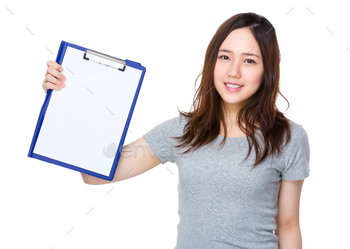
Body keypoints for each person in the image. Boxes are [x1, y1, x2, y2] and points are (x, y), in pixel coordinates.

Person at [42, 12, 310, 249]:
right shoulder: (182, 131)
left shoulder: (289, 138)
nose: (233, 71)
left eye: (249, 61)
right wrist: (71, 100)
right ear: (211, 63)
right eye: (225, 57)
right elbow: (95, 175)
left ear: (267, 69)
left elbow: (287, 225)